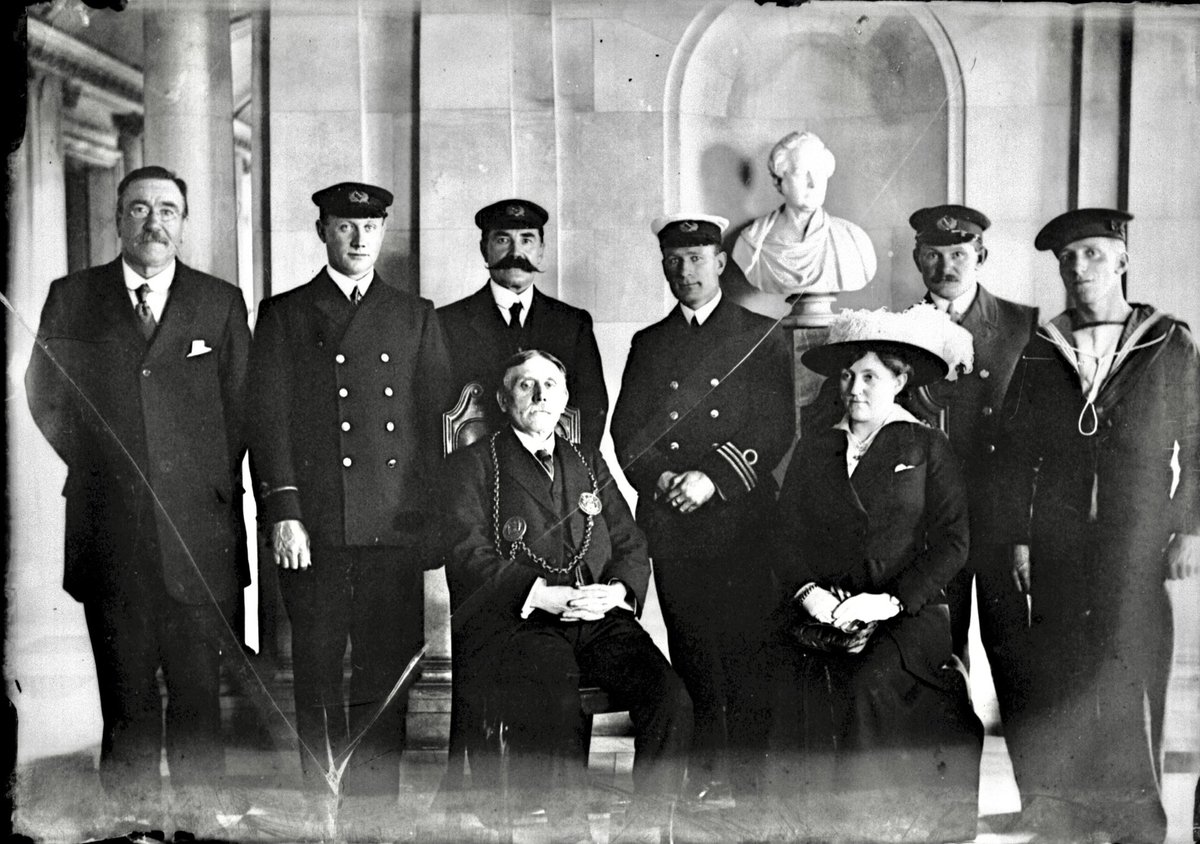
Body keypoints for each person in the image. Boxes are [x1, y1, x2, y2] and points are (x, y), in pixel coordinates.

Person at [25, 165, 251, 832]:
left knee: (198, 701)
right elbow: (45, 394)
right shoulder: (74, 297)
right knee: (126, 703)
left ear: (185, 221)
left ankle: (196, 826)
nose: (155, 222)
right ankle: (130, 828)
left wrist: (194, 477)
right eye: (139, 209)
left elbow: (241, 409)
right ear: (118, 219)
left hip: (199, 539)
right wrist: (102, 465)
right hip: (110, 532)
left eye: (168, 209)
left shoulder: (220, 301)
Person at [994, 208, 1200, 843]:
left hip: (1136, 534)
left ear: (1121, 260)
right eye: (1066, 259)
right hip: (1056, 538)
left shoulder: (1166, 341)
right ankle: (1069, 813)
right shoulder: (1042, 346)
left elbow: (1197, 444)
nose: (1076, 268)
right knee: (1062, 668)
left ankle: (1138, 817)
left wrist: (1189, 529)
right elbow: (1018, 452)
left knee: (1131, 666)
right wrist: (1022, 538)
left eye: (1089, 254)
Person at [247, 181, 454, 797]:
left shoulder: (414, 315)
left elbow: (434, 428)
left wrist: (433, 522)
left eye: (370, 227)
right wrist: (284, 511)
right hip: (317, 527)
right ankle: (321, 794)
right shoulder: (284, 313)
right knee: (315, 669)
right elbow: (267, 420)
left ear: (383, 232)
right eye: (345, 226)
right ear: (323, 232)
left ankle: (374, 798)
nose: (360, 238)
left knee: (386, 670)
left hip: (394, 527)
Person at [440, 350, 692, 832]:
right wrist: (537, 594)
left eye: (550, 385)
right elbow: (465, 550)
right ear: (503, 398)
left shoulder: (588, 461)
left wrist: (617, 592)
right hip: (523, 620)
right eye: (525, 385)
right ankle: (567, 829)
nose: (540, 395)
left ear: (565, 399)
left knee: (671, 697)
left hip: (598, 615)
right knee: (557, 700)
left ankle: (648, 825)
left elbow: (631, 541)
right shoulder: (473, 464)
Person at [769, 304, 983, 843]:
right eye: (847, 375)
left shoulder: (927, 445)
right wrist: (812, 595)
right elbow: (785, 534)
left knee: (866, 686)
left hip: (905, 614)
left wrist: (886, 603)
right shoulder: (816, 446)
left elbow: (953, 543)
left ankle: (867, 830)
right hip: (825, 610)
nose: (855, 388)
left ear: (900, 380)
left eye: (870, 376)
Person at [610, 213, 794, 806]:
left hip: (740, 518)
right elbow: (626, 433)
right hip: (671, 520)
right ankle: (704, 771)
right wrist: (663, 476)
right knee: (689, 642)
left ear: (720, 263)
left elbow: (775, 428)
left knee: (745, 641)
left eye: (697, 259)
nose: (685, 271)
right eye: (674, 260)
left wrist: (713, 480)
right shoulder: (648, 343)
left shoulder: (761, 335)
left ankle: (745, 776)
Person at [437, 199, 608, 449]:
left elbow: (592, 409)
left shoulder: (573, 323)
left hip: (552, 475)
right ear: (484, 249)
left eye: (526, 240)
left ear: (541, 250)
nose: (515, 253)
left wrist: (571, 472)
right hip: (476, 476)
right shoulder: (446, 323)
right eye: (503, 240)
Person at [731, 131, 876, 296]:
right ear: (779, 181)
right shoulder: (752, 242)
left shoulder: (853, 240)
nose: (813, 183)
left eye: (819, 172)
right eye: (801, 173)